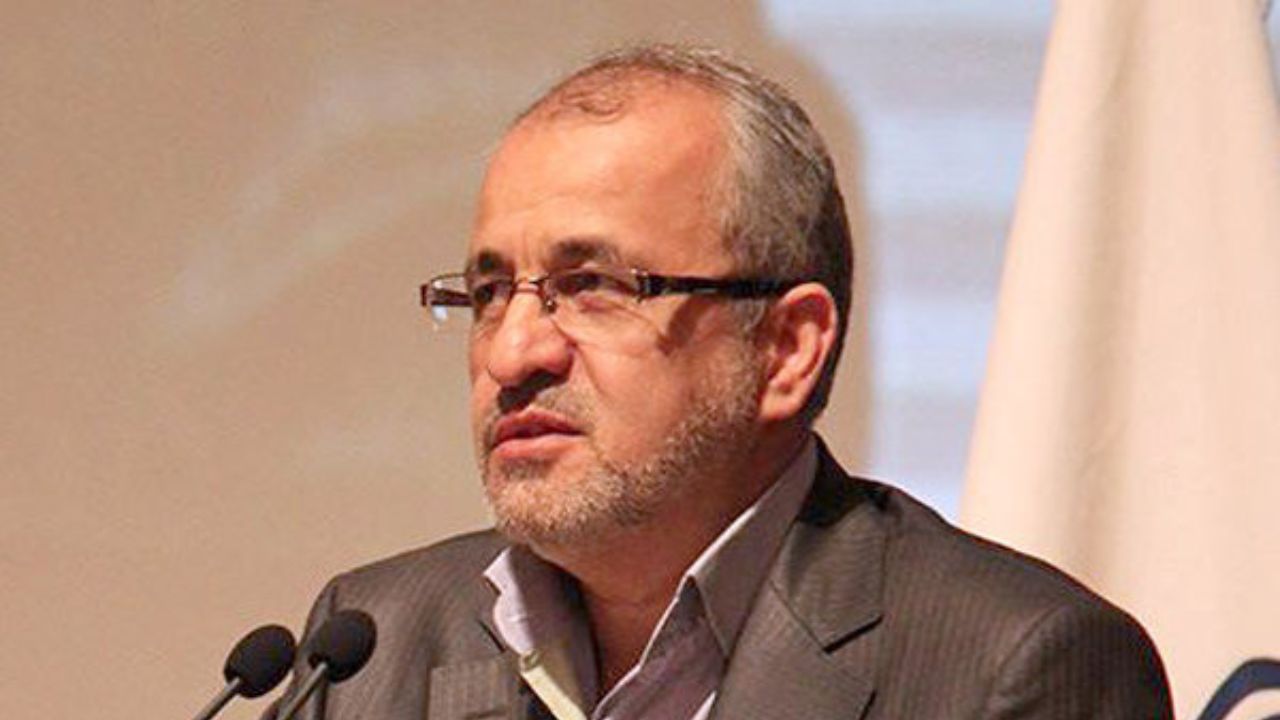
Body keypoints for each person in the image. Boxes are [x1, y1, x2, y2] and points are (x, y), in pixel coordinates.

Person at [274, 44, 1172, 719]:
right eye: (489, 293)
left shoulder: (1010, 668)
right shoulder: (371, 647)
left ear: (786, 349)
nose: (512, 354)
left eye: (593, 286)